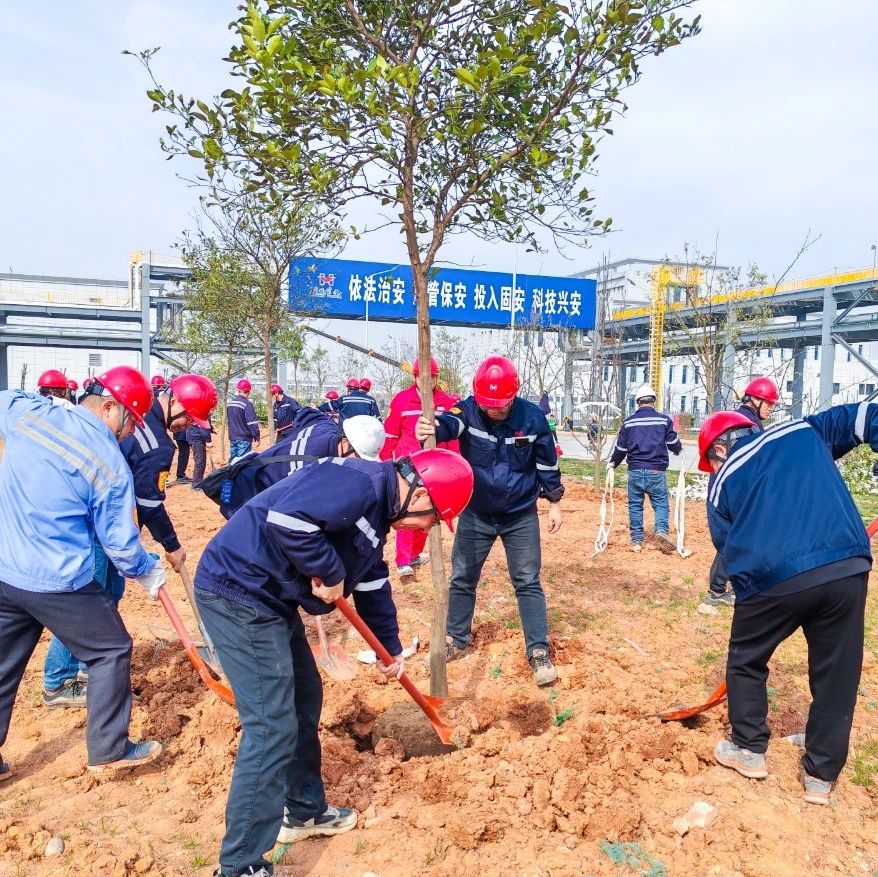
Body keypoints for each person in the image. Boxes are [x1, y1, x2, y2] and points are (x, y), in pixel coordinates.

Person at [193, 448, 474, 877]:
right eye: (433, 518)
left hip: (271, 599)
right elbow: (287, 521)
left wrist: (390, 649)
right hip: (237, 593)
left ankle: (304, 811)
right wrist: (331, 570)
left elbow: (375, 583)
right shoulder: (358, 483)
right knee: (271, 725)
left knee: (306, 698)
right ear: (417, 496)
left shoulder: (379, 509)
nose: (428, 527)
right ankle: (239, 864)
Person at [698, 401, 875, 805]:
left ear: (718, 450)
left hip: (771, 580)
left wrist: (749, 603)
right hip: (844, 567)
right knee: (837, 672)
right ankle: (820, 776)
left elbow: (726, 548)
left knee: (746, 659)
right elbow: (866, 416)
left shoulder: (722, 480)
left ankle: (750, 749)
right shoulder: (805, 431)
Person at [0, 366, 165, 774]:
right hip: (59, 580)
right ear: (111, 407)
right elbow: (120, 546)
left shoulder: (29, 413)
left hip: (6, 570)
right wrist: (148, 569)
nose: (129, 434)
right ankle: (109, 750)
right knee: (111, 649)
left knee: (2, 666)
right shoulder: (109, 464)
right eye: (131, 422)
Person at [42, 372, 219, 706]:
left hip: (99, 523)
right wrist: (172, 545)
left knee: (109, 594)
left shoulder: (141, 415)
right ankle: (59, 680)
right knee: (87, 603)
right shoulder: (157, 444)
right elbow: (150, 504)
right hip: (97, 527)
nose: (186, 427)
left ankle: (82, 664)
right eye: (187, 419)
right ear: (176, 402)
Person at [415, 355, 563, 686]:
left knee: (527, 580)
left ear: (515, 395)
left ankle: (538, 651)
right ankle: (456, 639)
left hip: (520, 514)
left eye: (500, 404)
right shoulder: (467, 411)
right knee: (463, 577)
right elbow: (448, 425)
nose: (493, 410)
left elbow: (547, 463)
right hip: (476, 512)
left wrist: (554, 502)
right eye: (487, 404)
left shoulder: (533, 417)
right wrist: (431, 428)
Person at [218, 407, 385, 520]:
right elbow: (290, 512)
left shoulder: (326, 426)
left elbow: (308, 411)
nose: (361, 464)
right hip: (246, 490)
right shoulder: (312, 465)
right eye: (360, 457)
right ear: (345, 442)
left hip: (258, 478)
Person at [381, 356, 460, 577]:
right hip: (408, 469)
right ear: (415, 376)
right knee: (408, 513)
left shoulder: (446, 404)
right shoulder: (401, 401)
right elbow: (390, 433)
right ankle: (403, 560)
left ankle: (415, 554)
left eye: (433, 377)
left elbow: (453, 439)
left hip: (435, 471)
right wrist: (385, 460)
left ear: (437, 378)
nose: (428, 381)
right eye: (423, 377)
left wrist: (456, 463)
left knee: (429, 514)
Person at [705, 376, 780, 606]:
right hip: (737, 490)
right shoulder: (747, 425)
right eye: (768, 403)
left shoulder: (741, 419)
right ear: (754, 400)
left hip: (730, 488)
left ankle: (720, 589)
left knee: (736, 537)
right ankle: (720, 590)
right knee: (738, 538)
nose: (771, 408)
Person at [609, 383, 682, 554]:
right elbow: (672, 443)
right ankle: (662, 531)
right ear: (654, 402)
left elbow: (621, 449)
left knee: (635, 505)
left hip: (635, 470)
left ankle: (636, 541)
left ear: (638, 403)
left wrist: (613, 463)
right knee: (661, 503)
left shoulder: (628, 423)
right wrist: (678, 449)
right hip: (656, 470)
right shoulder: (663, 420)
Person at [228, 378, 261, 460]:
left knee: (233, 462)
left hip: (233, 437)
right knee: (242, 463)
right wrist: (257, 436)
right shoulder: (247, 404)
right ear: (248, 392)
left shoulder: (230, 403)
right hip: (244, 439)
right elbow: (252, 423)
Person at [187, 421, 214, 492]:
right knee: (200, 462)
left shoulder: (201, 411)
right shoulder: (202, 412)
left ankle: (198, 482)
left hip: (195, 436)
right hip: (196, 438)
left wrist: (212, 429)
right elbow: (203, 426)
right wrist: (208, 440)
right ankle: (196, 485)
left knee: (200, 461)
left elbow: (206, 424)